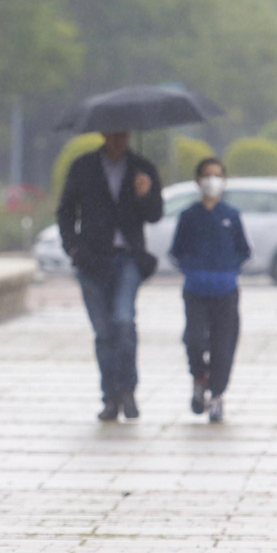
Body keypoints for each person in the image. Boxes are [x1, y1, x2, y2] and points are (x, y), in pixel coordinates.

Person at [56, 129, 164, 422]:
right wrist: (74, 249)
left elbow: (155, 213)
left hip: (127, 258)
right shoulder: (83, 167)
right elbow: (65, 212)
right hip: (91, 261)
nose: (119, 139)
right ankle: (110, 397)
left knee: (124, 322)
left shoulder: (142, 168)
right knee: (104, 333)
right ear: (104, 134)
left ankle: (128, 388)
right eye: (113, 134)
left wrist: (146, 194)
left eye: (123, 134)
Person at [170, 158, 251, 424]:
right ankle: (199, 377)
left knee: (223, 345)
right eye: (207, 175)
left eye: (217, 176)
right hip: (195, 289)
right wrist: (192, 269)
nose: (211, 181)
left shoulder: (231, 216)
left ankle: (216, 394)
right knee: (194, 339)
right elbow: (176, 251)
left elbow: (243, 249)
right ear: (197, 180)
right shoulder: (189, 216)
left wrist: (229, 269)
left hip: (225, 290)